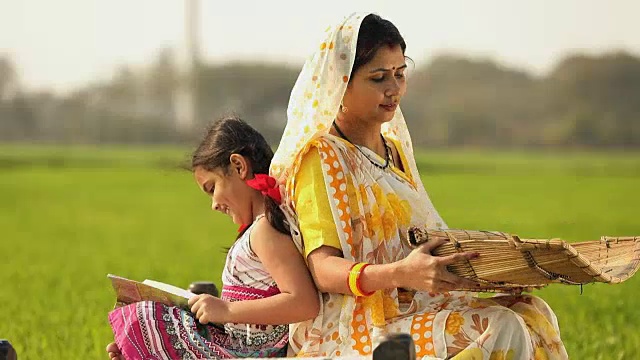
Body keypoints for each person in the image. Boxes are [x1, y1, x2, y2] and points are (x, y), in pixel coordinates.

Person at [270, 13, 568, 359]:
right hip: (356, 327)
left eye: (400, 74)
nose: (393, 89)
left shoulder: (394, 151)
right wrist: (399, 274)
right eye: (378, 78)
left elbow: (419, 239)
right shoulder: (321, 159)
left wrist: (499, 270)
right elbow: (323, 270)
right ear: (340, 84)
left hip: (415, 305)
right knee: (501, 327)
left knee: (532, 310)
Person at [106, 116, 319, 359]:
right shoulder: (257, 231)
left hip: (255, 351)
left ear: (239, 166)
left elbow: (304, 302)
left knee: (146, 318)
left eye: (212, 188)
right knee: (148, 326)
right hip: (238, 341)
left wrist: (226, 309)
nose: (214, 205)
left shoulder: (264, 231)